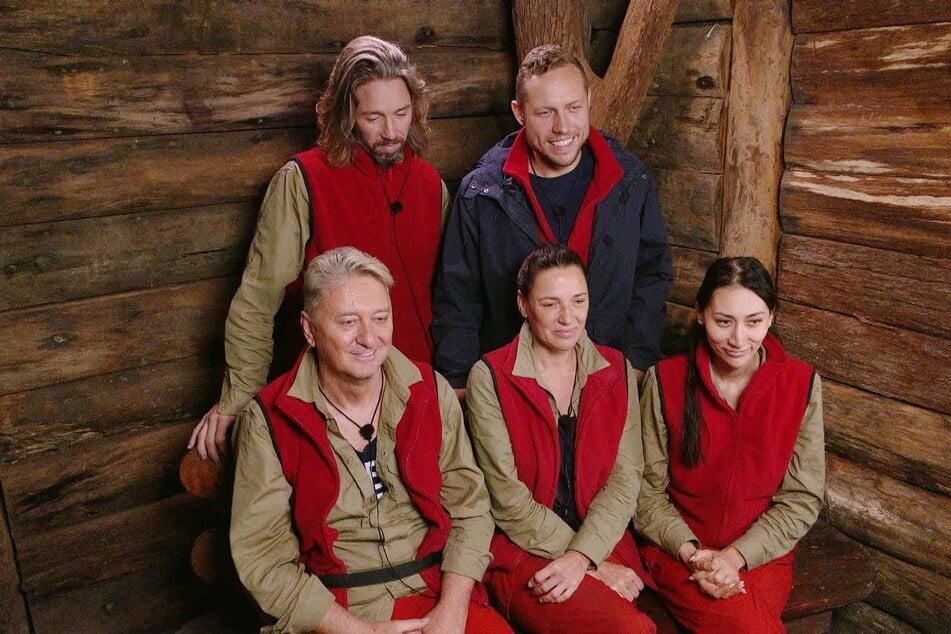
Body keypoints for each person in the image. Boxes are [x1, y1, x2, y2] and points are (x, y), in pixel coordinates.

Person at [189, 35, 449, 461]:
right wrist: (240, 402)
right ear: (346, 115)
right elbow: (258, 298)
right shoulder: (302, 179)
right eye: (373, 117)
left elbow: (452, 297)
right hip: (330, 407)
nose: (391, 132)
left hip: (417, 399)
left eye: (401, 114)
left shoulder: (430, 185)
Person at [229, 247, 511, 634]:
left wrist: (451, 610)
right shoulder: (267, 420)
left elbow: (470, 509)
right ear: (309, 329)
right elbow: (264, 561)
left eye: (380, 318)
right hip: (336, 611)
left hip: (438, 590)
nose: (368, 338)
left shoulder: (429, 391)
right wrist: (360, 632)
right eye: (348, 322)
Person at [432, 44, 673, 398]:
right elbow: (457, 295)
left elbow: (651, 276)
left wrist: (636, 361)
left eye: (574, 108)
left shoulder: (630, 180)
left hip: (607, 382)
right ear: (519, 113)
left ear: (588, 100)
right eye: (545, 112)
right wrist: (457, 381)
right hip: (513, 389)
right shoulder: (481, 193)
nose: (563, 127)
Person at [465, 244, 656, 633]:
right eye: (550, 304)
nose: (568, 318)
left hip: (604, 541)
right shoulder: (490, 376)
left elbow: (625, 479)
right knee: (629, 629)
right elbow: (508, 500)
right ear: (523, 304)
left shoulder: (616, 368)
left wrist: (584, 556)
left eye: (578, 301)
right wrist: (587, 562)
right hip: (525, 548)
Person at [635, 256, 825, 632]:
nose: (739, 339)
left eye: (754, 321)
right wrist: (695, 554)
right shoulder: (665, 381)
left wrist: (736, 557)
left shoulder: (801, 384)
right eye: (724, 321)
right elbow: (644, 493)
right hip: (678, 549)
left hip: (762, 552)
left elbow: (802, 498)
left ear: (771, 317)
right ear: (700, 314)